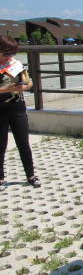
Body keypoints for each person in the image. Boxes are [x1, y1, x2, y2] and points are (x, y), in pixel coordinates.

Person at [0, 35, 40, 190]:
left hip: (18, 107)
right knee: (1, 144)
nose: (9, 57)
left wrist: (24, 86)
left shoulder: (16, 64)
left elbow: (29, 82)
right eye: (6, 54)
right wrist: (8, 89)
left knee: (23, 142)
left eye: (12, 54)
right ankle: (1, 178)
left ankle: (31, 175)